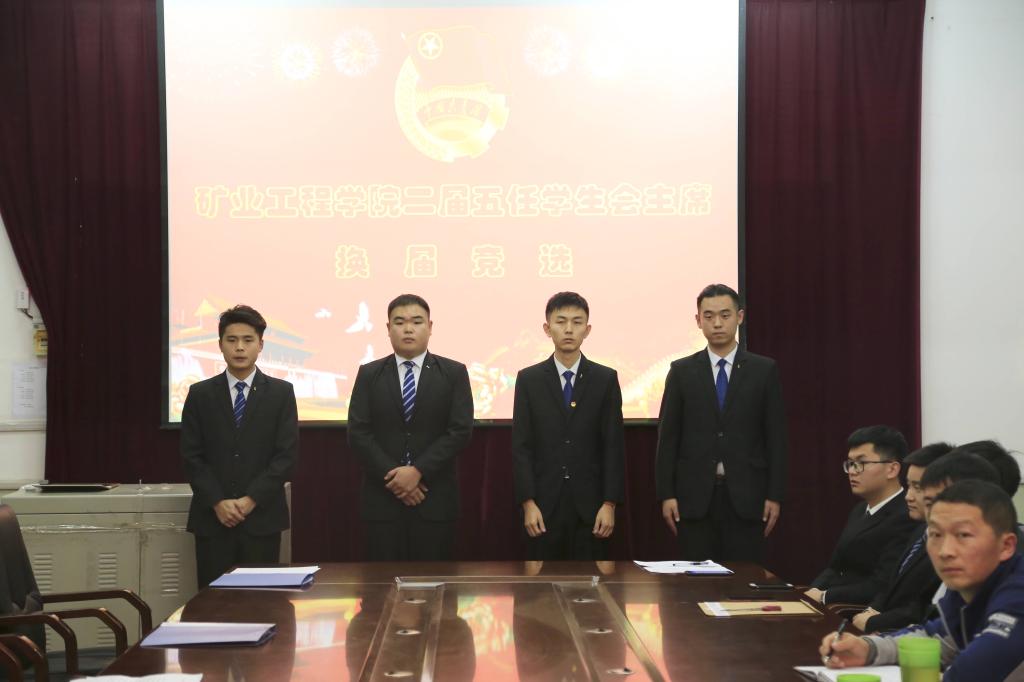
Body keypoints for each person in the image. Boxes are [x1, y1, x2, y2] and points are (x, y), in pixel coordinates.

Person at [819, 480, 1024, 681]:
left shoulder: (1018, 590)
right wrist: (867, 648)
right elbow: (936, 639)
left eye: (963, 535)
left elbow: (976, 669)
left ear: (1006, 546)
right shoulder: (969, 586)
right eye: (935, 534)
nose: (945, 551)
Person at [655, 283, 788, 562]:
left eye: (725, 315)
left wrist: (774, 495)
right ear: (698, 320)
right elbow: (668, 438)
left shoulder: (763, 370)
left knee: (744, 577)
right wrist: (666, 494)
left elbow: (776, 438)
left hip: (748, 496)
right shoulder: (681, 371)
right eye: (709, 316)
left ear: (740, 317)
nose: (717, 323)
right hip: (694, 498)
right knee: (696, 579)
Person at [347, 294, 473, 561]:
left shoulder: (453, 373)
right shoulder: (369, 374)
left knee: (433, 581)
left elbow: (460, 431)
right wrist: (396, 479)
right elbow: (358, 433)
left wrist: (418, 471)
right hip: (382, 502)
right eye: (399, 322)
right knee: (381, 582)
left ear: (430, 326)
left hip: (434, 499)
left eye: (416, 322)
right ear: (388, 328)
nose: (408, 329)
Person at [181, 305, 299, 588]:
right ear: (220, 344)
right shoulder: (200, 394)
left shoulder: (281, 393)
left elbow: (286, 456)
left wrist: (250, 500)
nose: (240, 348)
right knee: (213, 604)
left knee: (261, 601)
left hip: (261, 519)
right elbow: (191, 456)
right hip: (213, 519)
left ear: (261, 345)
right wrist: (217, 502)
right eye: (232, 340)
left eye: (248, 340)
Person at [512, 292, 625, 560]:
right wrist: (528, 502)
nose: (569, 329)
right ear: (547, 328)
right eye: (561, 321)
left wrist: (609, 503)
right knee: (542, 583)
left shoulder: (605, 379)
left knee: (592, 583)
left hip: (592, 507)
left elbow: (613, 446)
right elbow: (521, 447)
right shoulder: (529, 379)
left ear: (587, 329)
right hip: (543, 506)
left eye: (577, 322)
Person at [805, 425, 918, 606]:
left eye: (861, 463)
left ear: (892, 469)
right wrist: (811, 593)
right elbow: (835, 567)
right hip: (830, 604)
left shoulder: (906, 516)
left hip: (855, 611)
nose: (852, 471)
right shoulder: (859, 510)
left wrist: (825, 596)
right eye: (850, 463)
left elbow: (882, 584)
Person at [852, 441, 955, 632]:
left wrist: (874, 622)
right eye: (909, 486)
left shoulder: (949, 547)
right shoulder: (920, 530)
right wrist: (872, 610)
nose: (908, 496)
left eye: (918, 487)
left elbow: (921, 608)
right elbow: (890, 584)